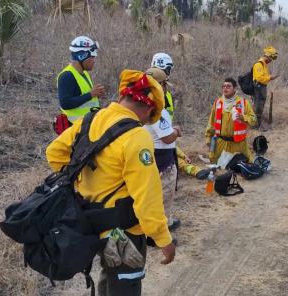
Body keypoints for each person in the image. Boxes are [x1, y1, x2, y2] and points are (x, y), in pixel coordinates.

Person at [46, 69, 176, 296]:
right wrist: (163, 239)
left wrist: (85, 182)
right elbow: (147, 197)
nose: (147, 121)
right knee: (125, 285)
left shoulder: (91, 118)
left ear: (121, 97)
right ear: (147, 108)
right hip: (124, 232)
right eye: (150, 116)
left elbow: (55, 153)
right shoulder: (137, 136)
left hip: (89, 223)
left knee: (108, 276)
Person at [151, 53, 211, 180]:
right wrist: (176, 131)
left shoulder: (162, 92)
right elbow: (164, 135)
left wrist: (180, 153)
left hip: (163, 137)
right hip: (157, 143)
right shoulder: (154, 93)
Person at [145, 67, 181, 232]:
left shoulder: (141, 103)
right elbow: (166, 138)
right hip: (162, 159)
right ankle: (162, 232)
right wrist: (176, 131)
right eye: (164, 85)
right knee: (164, 196)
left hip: (150, 155)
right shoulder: (157, 108)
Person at [205, 77, 257, 163]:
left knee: (243, 166)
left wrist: (243, 117)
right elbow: (211, 123)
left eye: (228, 86)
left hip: (238, 145)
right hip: (220, 144)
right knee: (217, 166)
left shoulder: (243, 102)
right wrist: (208, 137)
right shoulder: (217, 102)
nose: (225, 88)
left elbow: (254, 120)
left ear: (235, 89)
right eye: (223, 86)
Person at [57, 36, 105, 124]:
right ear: (82, 56)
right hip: (75, 129)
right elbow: (65, 104)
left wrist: (96, 94)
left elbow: (83, 96)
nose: (94, 61)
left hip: (87, 125)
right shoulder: (66, 76)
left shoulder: (84, 73)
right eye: (92, 57)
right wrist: (91, 94)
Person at [252, 46, 279, 129]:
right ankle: (255, 126)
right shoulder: (258, 65)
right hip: (258, 89)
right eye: (270, 59)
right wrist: (270, 78)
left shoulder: (264, 65)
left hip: (262, 88)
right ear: (267, 56)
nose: (271, 61)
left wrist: (270, 77)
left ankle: (258, 125)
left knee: (260, 107)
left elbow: (264, 77)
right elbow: (259, 78)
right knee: (257, 108)